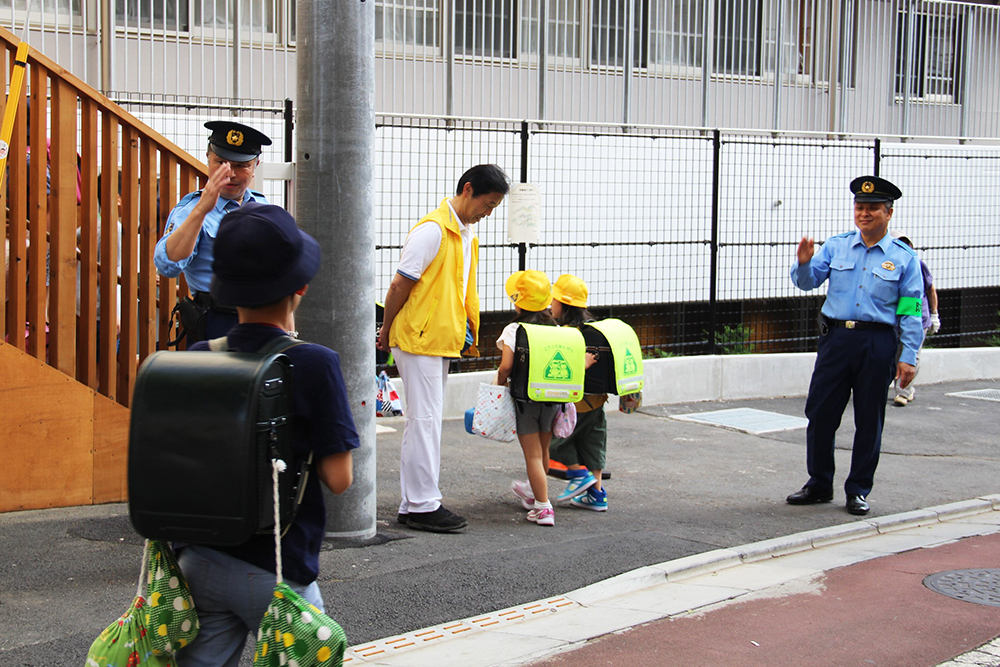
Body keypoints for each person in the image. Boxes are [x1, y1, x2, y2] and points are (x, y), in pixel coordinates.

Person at [175, 202, 359, 666]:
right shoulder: (315, 363)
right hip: (279, 571)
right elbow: (339, 479)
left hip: (200, 559)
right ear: (301, 286)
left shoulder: (201, 353)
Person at [377, 164, 510, 533]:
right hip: (420, 339)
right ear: (468, 190)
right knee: (424, 421)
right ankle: (421, 505)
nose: (489, 212)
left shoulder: (463, 234)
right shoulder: (433, 230)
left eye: (495, 206)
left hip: (438, 339)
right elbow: (400, 285)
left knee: (427, 421)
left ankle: (415, 502)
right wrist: (385, 330)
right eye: (488, 203)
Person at [786, 175, 924, 516]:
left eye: (872, 209)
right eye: (859, 207)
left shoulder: (904, 258)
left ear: (888, 213)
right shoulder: (836, 246)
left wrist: (908, 356)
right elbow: (807, 282)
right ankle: (819, 483)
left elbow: (910, 310)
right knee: (820, 413)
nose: (864, 214)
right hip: (836, 339)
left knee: (869, 418)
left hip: (877, 342)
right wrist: (803, 262)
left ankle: (859, 489)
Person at [154, 120, 272, 344]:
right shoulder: (190, 210)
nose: (230, 174)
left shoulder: (264, 208)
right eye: (221, 163)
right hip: (217, 321)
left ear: (256, 165)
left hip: (262, 321)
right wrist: (202, 211)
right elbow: (167, 265)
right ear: (208, 157)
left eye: (241, 166)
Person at [497, 270, 561, 527]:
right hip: (552, 397)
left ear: (518, 301)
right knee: (543, 450)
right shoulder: (554, 326)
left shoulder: (515, 329)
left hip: (526, 399)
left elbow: (506, 366)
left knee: (532, 455)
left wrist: (497, 385)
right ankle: (538, 493)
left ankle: (543, 507)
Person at [547, 274, 610, 511]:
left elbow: (564, 369)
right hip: (597, 402)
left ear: (564, 304)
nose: (551, 305)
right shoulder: (596, 330)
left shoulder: (567, 334)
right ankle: (596, 495)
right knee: (592, 445)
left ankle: (578, 474)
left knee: (556, 443)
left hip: (576, 403)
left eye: (554, 301)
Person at [890, 230, 940, 407]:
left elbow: (930, 290)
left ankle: (902, 392)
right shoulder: (887, 264)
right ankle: (906, 389)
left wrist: (934, 315)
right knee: (895, 354)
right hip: (895, 319)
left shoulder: (916, 264)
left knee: (911, 354)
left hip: (917, 316)